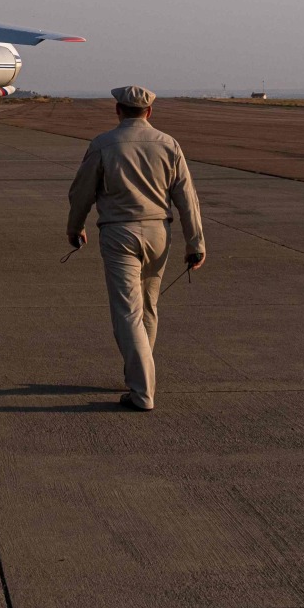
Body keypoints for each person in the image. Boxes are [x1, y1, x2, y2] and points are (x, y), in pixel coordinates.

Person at [67, 85, 205, 412]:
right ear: (149, 112)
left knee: (128, 312)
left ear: (117, 110)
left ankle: (142, 391)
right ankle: (139, 372)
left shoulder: (103, 144)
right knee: (148, 306)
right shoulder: (169, 145)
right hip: (159, 233)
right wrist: (195, 242)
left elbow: (81, 192)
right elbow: (187, 198)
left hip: (119, 233)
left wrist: (74, 228)